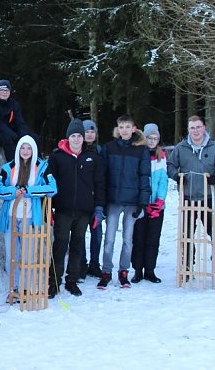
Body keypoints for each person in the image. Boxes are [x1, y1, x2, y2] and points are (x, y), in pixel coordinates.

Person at [166, 115, 215, 287]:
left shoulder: (214, 148)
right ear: (188, 131)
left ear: (204, 128)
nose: (195, 131)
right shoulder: (181, 148)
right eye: (192, 128)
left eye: (198, 127)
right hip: (188, 199)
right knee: (186, 237)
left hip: (207, 199)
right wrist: (176, 175)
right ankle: (187, 269)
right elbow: (171, 165)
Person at [46, 119, 105, 297]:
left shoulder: (93, 157)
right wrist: (48, 208)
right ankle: (54, 281)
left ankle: (72, 280)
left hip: (84, 211)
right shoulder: (57, 156)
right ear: (68, 137)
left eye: (80, 136)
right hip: (63, 210)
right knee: (60, 245)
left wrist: (99, 208)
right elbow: (48, 182)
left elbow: (100, 184)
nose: (77, 139)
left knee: (77, 245)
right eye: (73, 136)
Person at [0, 135, 56, 297]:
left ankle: (25, 287)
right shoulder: (8, 167)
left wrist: (30, 192)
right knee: (11, 255)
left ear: (34, 149)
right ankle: (13, 288)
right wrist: (13, 192)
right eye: (23, 147)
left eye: (29, 148)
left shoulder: (42, 167)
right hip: (11, 216)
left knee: (28, 254)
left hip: (30, 216)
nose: (25, 151)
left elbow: (52, 188)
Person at [98, 115, 151, 290]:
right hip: (113, 200)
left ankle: (123, 272)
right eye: (121, 127)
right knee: (109, 239)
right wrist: (102, 201)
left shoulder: (141, 150)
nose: (125, 130)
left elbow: (145, 177)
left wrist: (143, 203)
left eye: (128, 127)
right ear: (118, 129)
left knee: (128, 239)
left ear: (134, 129)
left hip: (132, 201)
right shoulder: (109, 148)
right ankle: (106, 271)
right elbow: (103, 176)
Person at [130, 123, 168, 283]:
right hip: (140, 204)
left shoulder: (162, 156)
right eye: (149, 137)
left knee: (153, 238)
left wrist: (159, 201)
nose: (152, 141)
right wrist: (141, 201)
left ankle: (150, 269)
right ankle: (138, 270)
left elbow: (163, 180)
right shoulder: (138, 153)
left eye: (155, 138)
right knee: (138, 238)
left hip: (156, 206)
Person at [0, 79, 35, 161]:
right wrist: (13, 135)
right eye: (1, 90)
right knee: (8, 140)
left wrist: (24, 133)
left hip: (12, 130)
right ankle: (13, 165)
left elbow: (19, 121)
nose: (4, 92)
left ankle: (37, 165)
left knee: (32, 137)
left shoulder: (14, 104)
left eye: (6, 90)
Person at [82, 119, 104, 278]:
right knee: (80, 234)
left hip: (97, 200)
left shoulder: (101, 151)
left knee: (97, 233)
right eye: (86, 131)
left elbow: (104, 178)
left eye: (92, 131)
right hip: (82, 202)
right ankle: (81, 264)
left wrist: (102, 203)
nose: (89, 134)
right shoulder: (77, 151)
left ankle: (94, 263)